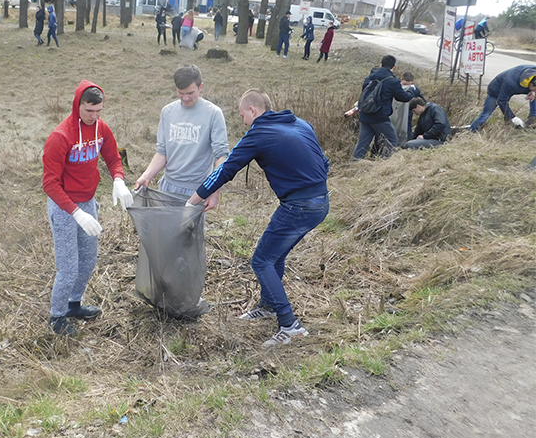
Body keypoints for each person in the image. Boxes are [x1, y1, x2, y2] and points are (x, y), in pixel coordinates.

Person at [187, 89, 329, 346]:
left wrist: (192, 202)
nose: (243, 122)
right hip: (320, 202)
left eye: (243, 115)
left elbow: (228, 167)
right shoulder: (302, 124)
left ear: (253, 110)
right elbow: (323, 161)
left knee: (261, 260)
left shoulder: (259, 133)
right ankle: (268, 305)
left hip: (298, 205)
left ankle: (289, 325)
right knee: (276, 255)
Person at [41, 81, 133, 336]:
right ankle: (56, 317)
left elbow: (114, 158)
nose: (94, 117)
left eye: (99, 111)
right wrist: (75, 212)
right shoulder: (60, 138)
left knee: (88, 259)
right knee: (68, 266)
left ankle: (74, 304)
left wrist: (118, 180)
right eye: (89, 111)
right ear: (78, 105)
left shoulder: (101, 128)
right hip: (64, 206)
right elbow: (49, 183)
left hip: (88, 202)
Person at [134, 65, 229, 201]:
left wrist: (214, 191)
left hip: (197, 191)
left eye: (190, 93)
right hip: (168, 187)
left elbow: (221, 156)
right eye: (180, 92)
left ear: (200, 87)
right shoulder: (167, 112)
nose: (185, 98)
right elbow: (162, 152)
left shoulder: (213, 113)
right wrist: (146, 176)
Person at [351, 55, 421, 160]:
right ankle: (384, 163)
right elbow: (404, 97)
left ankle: (354, 164)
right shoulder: (392, 81)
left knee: (362, 143)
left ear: (381, 64)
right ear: (394, 66)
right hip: (380, 118)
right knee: (392, 140)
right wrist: (411, 89)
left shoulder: (370, 77)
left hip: (365, 114)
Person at [469, 65, 536, 131]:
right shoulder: (510, 82)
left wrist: (533, 92)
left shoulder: (533, 73)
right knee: (486, 113)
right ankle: (471, 131)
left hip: (518, 86)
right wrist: (512, 117)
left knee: (534, 96)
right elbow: (501, 101)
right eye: (534, 88)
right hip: (496, 91)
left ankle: (533, 118)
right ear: (530, 83)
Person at [389, 71, 417, 145]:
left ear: (412, 82)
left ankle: (406, 145)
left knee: (407, 129)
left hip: (407, 112)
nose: (405, 87)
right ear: (401, 79)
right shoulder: (395, 87)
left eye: (408, 85)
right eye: (404, 84)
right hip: (394, 112)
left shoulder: (414, 89)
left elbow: (421, 101)